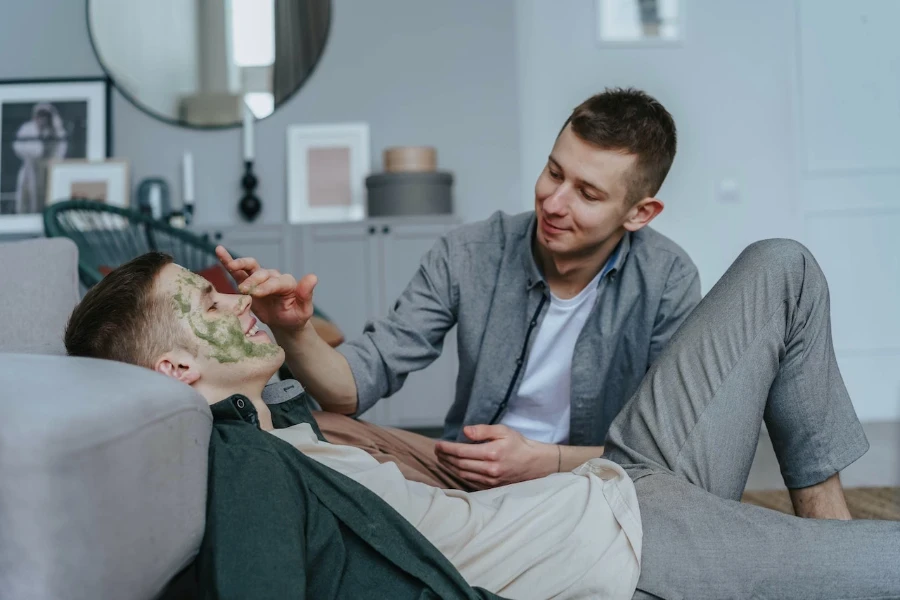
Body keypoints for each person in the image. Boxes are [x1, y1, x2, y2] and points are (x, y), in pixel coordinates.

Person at [64, 240, 899, 599]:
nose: (230, 293)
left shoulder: (283, 426)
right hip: (637, 544)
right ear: (174, 369)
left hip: (618, 476)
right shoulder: (246, 462)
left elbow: (324, 377)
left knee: (779, 268)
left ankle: (812, 548)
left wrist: (282, 326)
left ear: (637, 214)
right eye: (205, 299)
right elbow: (362, 382)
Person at [238, 87, 701, 491]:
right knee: (317, 430)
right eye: (555, 173)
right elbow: (355, 386)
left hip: (592, 478)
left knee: (653, 487)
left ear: (639, 214)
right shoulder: (470, 251)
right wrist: (294, 331)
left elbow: (664, 447)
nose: (554, 203)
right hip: (467, 470)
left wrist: (547, 462)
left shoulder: (667, 280)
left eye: (588, 194)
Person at [13, 103, 68, 214]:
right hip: (30, 168)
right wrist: (33, 154)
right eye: (40, 115)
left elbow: (61, 149)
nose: (42, 119)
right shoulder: (27, 128)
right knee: (28, 195)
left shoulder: (56, 131)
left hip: (48, 169)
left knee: (47, 195)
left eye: (45, 116)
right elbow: (17, 146)